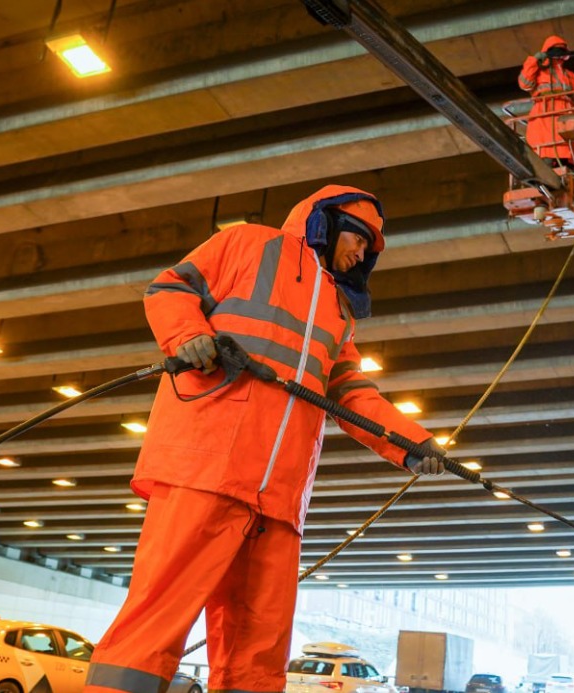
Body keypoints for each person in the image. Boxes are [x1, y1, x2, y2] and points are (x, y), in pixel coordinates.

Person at [82, 185, 448, 693]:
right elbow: (170, 289)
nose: (363, 254)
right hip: (206, 468)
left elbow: (352, 394)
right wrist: (188, 336)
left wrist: (412, 443)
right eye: (361, 239)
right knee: (156, 619)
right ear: (327, 224)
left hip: (278, 500)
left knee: (259, 647)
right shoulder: (248, 245)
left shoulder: (338, 315)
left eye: (370, 250)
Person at [517, 35, 574, 172]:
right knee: (545, 160)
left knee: (566, 163)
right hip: (543, 120)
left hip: (565, 121)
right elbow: (524, 83)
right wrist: (534, 60)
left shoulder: (568, 75)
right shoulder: (538, 72)